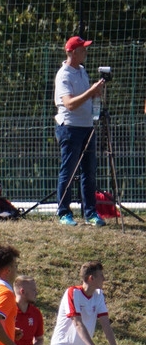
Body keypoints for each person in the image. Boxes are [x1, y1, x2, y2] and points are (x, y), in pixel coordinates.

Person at [54, 36, 107, 227]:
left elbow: (86, 99)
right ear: (73, 52)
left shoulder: (82, 71)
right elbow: (69, 104)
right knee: (68, 172)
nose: (86, 52)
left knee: (89, 172)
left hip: (87, 127)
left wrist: (96, 94)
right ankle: (64, 212)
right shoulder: (64, 75)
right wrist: (91, 91)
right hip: (70, 128)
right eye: (83, 49)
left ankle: (90, 213)